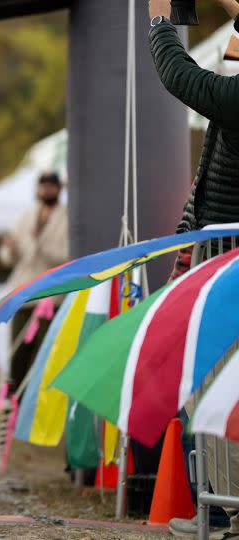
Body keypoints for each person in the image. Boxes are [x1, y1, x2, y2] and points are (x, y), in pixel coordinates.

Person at [149, 1, 239, 536]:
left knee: (216, 388)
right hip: (216, 254)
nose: (231, 59)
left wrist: (162, 16)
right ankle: (217, 506)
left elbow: (177, 73)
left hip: (229, 264)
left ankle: (221, 509)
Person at [0, 171, 68, 393]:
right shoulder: (26, 216)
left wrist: (40, 243)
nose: (46, 189)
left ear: (59, 188)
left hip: (51, 297)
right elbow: (6, 257)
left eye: (51, 185)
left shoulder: (66, 217)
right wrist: (11, 249)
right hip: (24, 294)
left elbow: (66, 256)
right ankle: (15, 401)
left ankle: (39, 401)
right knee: (18, 353)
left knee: (44, 352)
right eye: (43, 185)